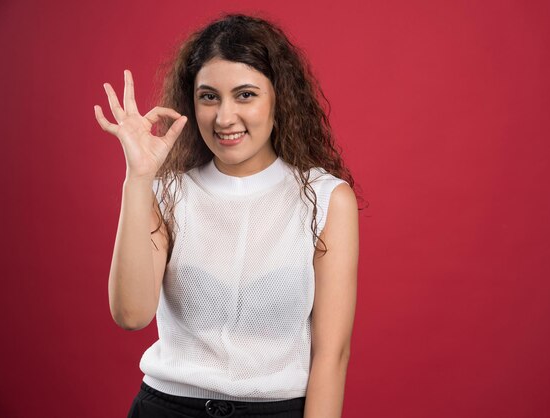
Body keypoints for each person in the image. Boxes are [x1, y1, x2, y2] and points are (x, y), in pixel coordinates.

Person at [94, 12, 361, 418]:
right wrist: (139, 178)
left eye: (246, 95)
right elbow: (131, 314)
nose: (224, 118)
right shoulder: (168, 191)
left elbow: (332, 354)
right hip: (166, 409)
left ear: (279, 98)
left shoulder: (325, 199)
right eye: (209, 96)